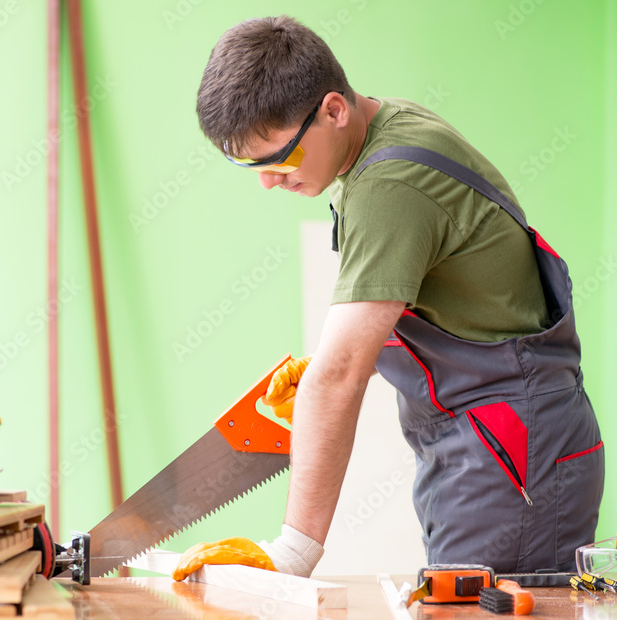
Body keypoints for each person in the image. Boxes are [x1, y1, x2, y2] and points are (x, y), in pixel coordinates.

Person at [175, 14, 604, 579]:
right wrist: (345, 363)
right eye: (250, 165)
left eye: (278, 158)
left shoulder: (389, 183)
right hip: (492, 442)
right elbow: (449, 299)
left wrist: (294, 552)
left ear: (334, 110)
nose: (268, 180)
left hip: (507, 451)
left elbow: (340, 377)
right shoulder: (385, 125)